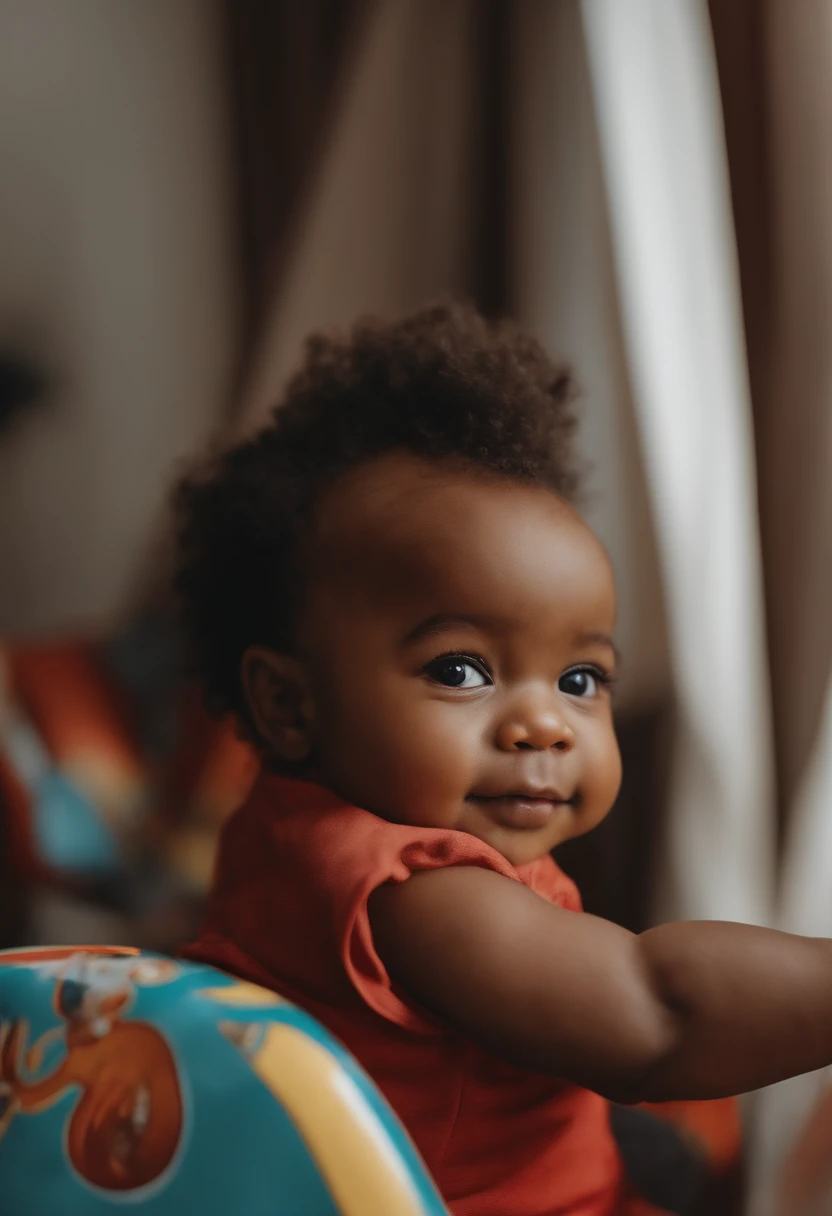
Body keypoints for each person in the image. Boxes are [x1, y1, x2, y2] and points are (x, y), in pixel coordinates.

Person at [176, 304, 827, 1216]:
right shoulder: (411, 893)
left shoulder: (285, 826)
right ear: (289, 703)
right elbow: (653, 1019)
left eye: (580, 678)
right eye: (461, 669)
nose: (544, 725)